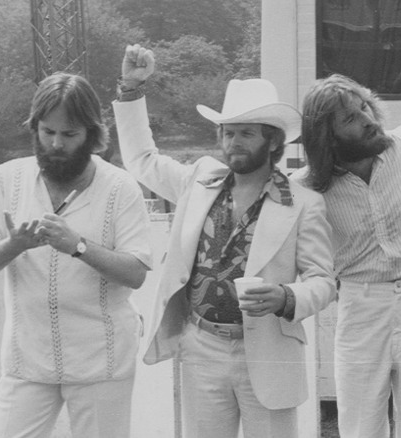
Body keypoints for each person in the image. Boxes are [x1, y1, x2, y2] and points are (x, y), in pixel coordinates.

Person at [113, 45, 335, 438]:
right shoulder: (198, 179)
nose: (234, 142)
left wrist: (286, 297)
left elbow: (323, 281)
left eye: (246, 134)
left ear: (272, 142)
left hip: (269, 351)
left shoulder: (304, 203)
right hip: (201, 345)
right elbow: (142, 160)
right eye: (228, 133)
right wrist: (131, 89)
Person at [0, 72, 152, 438]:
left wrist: (78, 246)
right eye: (47, 132)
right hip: (27, 360)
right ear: (34, 128)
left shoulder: (120, 186)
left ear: (91, 134)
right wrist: (13, 245)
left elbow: (136, 272)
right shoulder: (7, 178)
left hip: (102, 363)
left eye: (69, 135)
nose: (56, 143)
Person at [293, 74, 401, 438]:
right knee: (360, 425)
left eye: (364, 105)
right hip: (358, 304)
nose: (368, 119)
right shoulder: (307, 186)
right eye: (350, 118)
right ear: (327, 137)